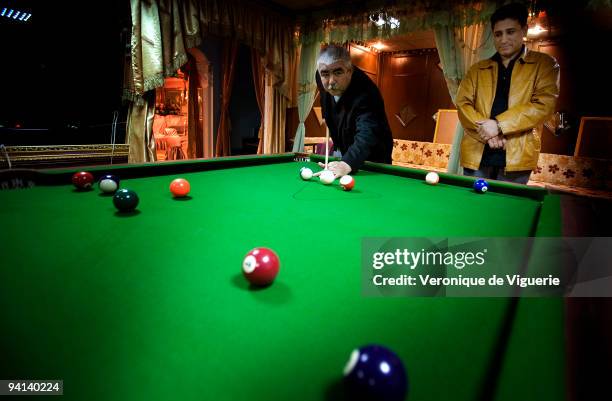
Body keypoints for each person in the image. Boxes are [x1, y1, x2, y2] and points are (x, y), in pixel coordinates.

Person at [456, 3, 560, 184]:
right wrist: (490, 133)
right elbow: (463, 104)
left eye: (510, 32)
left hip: (517, 157)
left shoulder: (545, 64)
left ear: (524, 30)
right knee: (473, 210)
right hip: (476, 153)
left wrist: (498, 125)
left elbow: (544, 106)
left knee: (507, 211)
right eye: (498, 34)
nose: (503, 39)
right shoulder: (476, 69)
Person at [313, 45, 393, 178]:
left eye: (338, 72)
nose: (331, 81)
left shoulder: (367, 93)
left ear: (349, 71)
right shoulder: (320, 76)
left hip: (375, 158)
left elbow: (367, 133)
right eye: (325, 74)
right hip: (348, 150)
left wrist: (347, 163)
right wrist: (325, 115)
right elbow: (324, 96)